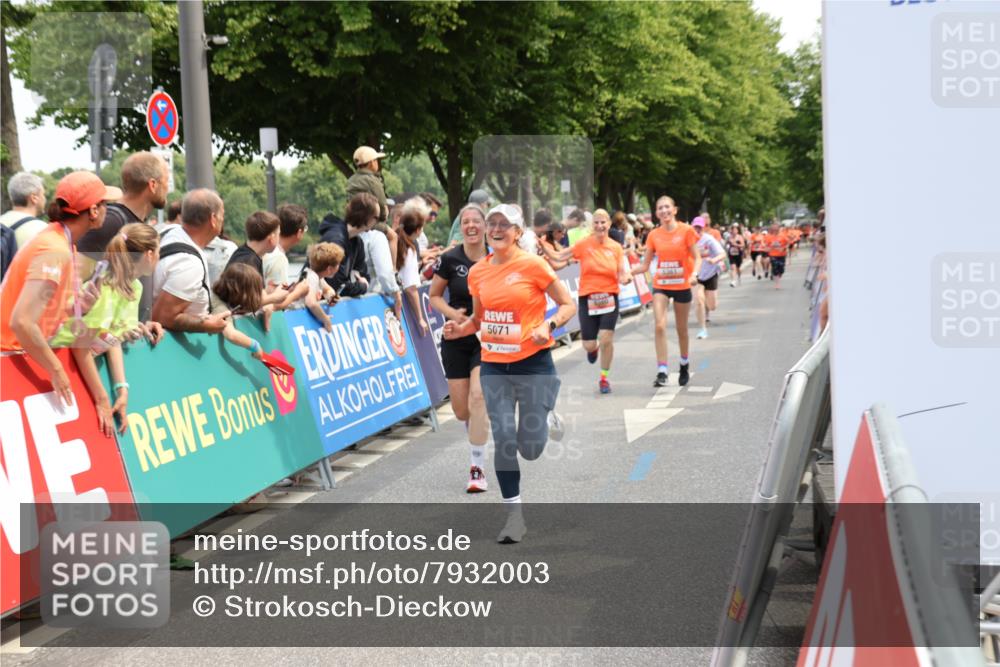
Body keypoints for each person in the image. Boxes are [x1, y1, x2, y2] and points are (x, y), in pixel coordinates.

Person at [443, 204, 575, 544]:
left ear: (518, 233)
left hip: (533, 364)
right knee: (503, 438)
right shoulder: (478, 273)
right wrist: (461, 329)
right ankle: (514, 517)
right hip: (494, 366)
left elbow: (567, 304)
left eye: (505, 225)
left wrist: (550, 324)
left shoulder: (533, 265)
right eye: (492, 224)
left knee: (530, 449)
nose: (497, 229)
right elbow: (478, 319)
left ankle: (544, 418)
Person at [0, 171, 122, 405]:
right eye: (105, 203)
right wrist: (56, 370)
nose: (108, 209)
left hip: (17, 357)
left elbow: (44, 312)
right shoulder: (54, 248)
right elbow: (22, 322)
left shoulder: (61, 242)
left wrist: (77, 307)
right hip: (10, 358)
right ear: (94, 211)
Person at [50, 223, 164, 436]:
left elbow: (113, 338)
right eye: (159, 251)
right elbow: (79, 347)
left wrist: (121, 389)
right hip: (57, 363)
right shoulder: (103, 288)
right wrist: (102, 399)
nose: (160, 257)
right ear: (149, 254)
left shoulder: (135, 287)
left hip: (76, 368)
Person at [429, 204, 490, 492]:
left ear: (485, 225)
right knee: (462, 410)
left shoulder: (496, 256)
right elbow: (434, 296)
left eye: (476, 221)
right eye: (465, 222)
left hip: (487, 337)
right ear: (461, 227)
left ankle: (477, 467)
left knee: (479, 398)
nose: (471, 226)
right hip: (456, 336)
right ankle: (476, 429)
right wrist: (455, 315)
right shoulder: (449, 259)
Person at [541, 208, 631, 394]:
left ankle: (604, 378)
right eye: (596, 222)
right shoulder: (584, 244)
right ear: (592, 225)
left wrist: (625, 278)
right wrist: (543, 248)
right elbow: (559, 256)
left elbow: (622, 271)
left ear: (609, 224)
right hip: (587, 298)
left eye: (603, 222)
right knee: (589, 344)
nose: (599, 225)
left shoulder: (615, 247)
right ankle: (593, 349)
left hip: (609, 297)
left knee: (606, 337)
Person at [630, 195, 700, 387]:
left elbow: (697, 257)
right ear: (656, 213)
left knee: (681, 329)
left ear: (674, 210)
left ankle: (684, 362)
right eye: (660, 208)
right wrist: (629, 273)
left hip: (682, 285)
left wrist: (694, 274)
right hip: (661, 284)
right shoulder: (654, 235)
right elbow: (645, 265)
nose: (664, 211)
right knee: (659, 325)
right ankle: (662, 370)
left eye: (667, 207)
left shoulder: (686, 231)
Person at [150, 189, 230, 334]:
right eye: (222, 215)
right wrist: (206, 324)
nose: (223, 220)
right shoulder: (189, 264)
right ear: (213, 219)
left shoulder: (170, 232)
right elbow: (162, 316)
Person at [77, 152, 168, 257]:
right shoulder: (109, 223)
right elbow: (79, 268)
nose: (167, 188)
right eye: (166, 180)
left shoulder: (117, 221)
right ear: (153, 185)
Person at [225, 211, 288, 306]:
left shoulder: (243, 254)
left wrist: (269, 292)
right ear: (271, 238)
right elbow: (247, 302)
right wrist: (276, 297)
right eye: (278, 234)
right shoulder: (249, 262)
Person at [279, 242, 344, 331]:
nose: (339, 267)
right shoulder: (312, 278)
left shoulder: (316, 276)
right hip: (293, 318)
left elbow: (327, 289)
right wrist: (325, 319)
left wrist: (331, 296)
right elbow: (311, 303)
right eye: (338, 264)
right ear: (329, 269)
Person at [318, 194, 372, 297]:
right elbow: (336, 284)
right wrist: (362, 286)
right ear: (367, 217)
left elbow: (363, 274)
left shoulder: (357, 241)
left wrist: (362, 284)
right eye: (376, 217)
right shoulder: (336, 239)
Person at [394, 197, 430, 337]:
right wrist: (420, 318)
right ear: (418, 229)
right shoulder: (409, 249)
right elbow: (410, 288)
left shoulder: (396, 238)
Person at [691, 216, 726, 339]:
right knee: (698, 301)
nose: (697, 230)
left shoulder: (709, 239)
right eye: (695, 227)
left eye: (700, 227)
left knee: (712, 306)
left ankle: (707, 302)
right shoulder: (688, 240)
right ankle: (702, 329)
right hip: (696, 275)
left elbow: (722, 254)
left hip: (710, 274)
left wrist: (714, 259)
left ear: (704, 227)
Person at [263, 203, 308, 290]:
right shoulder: (278, 258)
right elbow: (276, 300)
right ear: (299, 233)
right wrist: (299, 291)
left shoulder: (266, 249)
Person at [1, 172, 48, 250]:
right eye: (43, 194)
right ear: (34, 198)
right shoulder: (43, 231)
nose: (44, 198)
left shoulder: (1, 221)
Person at [346, 145, 389, 222]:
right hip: (371, 224)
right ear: (372, 163)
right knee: (394, 234)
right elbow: (383, 208)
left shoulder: (351, 180)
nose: (377, 163)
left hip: (353, 223)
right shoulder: (373, 181)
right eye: (376, 160)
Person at [765, 220, 791, 289]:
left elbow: (788, 243)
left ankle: (778, 277)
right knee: (775, 268)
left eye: (776, 228)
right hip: (773, 255)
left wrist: (784, 248)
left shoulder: (783, 235)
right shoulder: (768, 237)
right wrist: (770, 247)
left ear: (778, 228)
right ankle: (777, 283)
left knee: (781, 269)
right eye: (773, 229)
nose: (775, 230)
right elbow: (766, 246)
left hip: (782, 255)